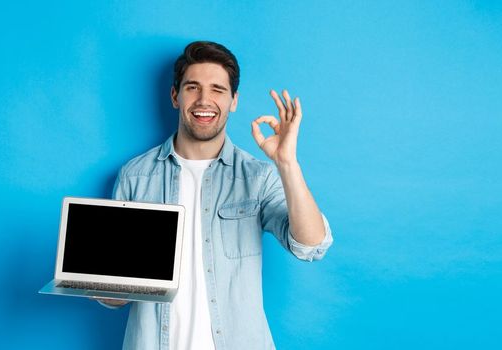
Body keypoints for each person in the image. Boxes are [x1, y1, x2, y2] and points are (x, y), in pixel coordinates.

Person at [95, 41, 334, 350]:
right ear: (175, 96)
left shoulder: (257, 176)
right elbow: (114, 297)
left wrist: (287, 163)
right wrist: (101, 284)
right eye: (192, 88)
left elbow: (310, 245)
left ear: (233, 100)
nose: (204, 100)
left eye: (218, 90)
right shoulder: (135, 176)